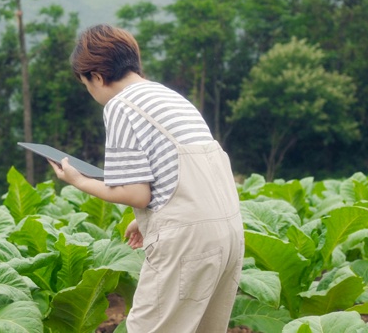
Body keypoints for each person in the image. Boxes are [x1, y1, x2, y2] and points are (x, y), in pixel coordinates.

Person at [48, 24, 244, 332]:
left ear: (96, 77)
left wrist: (77, 180)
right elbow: (181, 173)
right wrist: (147, 220)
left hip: (188, 242)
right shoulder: (169, 97)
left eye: (86, 83)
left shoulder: (121, 106)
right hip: (228, 232)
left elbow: (137, 194)